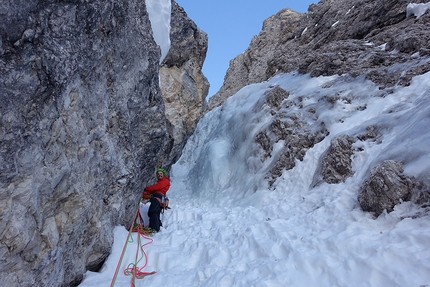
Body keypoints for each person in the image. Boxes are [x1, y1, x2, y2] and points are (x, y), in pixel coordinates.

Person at [142, 168, 170, 232]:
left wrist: (147, 188)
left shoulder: (165, 180)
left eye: (161, 173)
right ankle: (158, 226)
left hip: (158, 197)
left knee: (152, 211)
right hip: (158, 197)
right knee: (156, 212)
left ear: (164, 174)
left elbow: (157, 187)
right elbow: (154, 190)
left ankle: (154, 228)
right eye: (158, 174)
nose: (159, 175)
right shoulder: (160, 182)